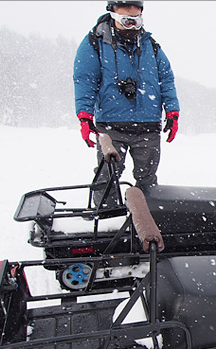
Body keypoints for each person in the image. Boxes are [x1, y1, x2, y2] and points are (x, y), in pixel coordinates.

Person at [73, 0, 180, 205]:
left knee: (148, 183)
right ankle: (107, 223)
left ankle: (147, 229)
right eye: (126, 20)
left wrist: (172, 111)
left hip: (148, 127)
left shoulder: (151, 45)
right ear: (112, 14)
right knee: (107, 180)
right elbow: (85, 79)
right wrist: (85, 116)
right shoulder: (94, 43)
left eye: (137, 20)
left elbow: (166, 79)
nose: (133, 26)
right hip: (111, 126)